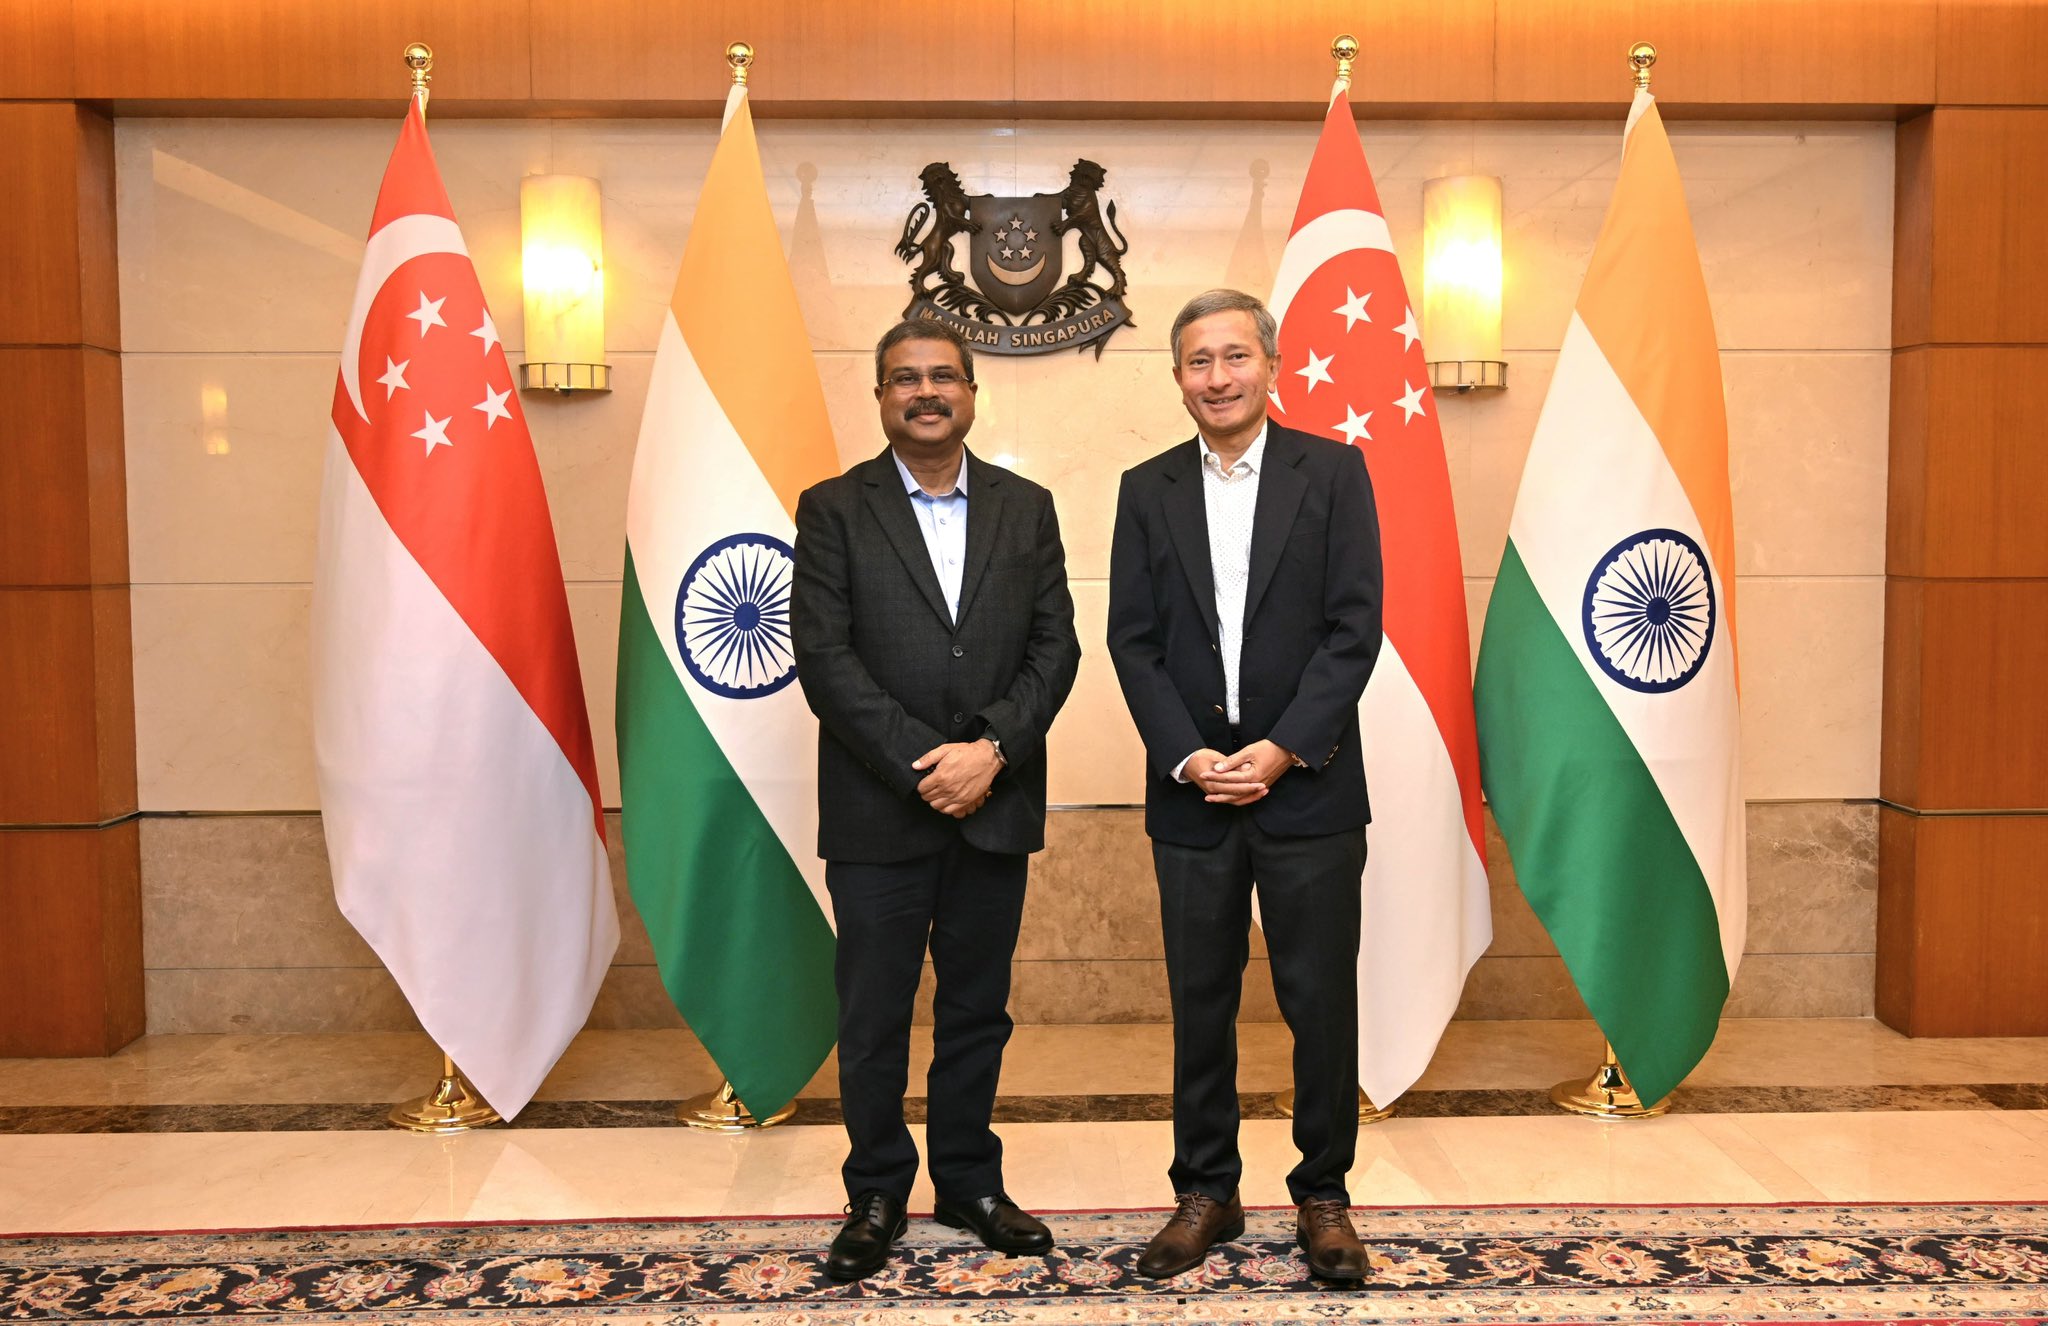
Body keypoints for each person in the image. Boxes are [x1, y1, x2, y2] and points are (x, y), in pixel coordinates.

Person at [792, 317, 1082, 1282]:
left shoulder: (1026, 507)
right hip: (881, 811)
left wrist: (991, 751)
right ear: (880, 398)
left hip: (994, 804)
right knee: (873, 1012)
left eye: (943, 377)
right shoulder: (833, 509)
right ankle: (876, 1189)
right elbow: (825, 664)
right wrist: (935, 763)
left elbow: (1057, 648)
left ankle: (968, 1179)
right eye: (904, 379)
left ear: (971, 393)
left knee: (976, 1009)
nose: (926, 392)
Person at [1106, 288, 1384, 1281]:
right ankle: (1205, 1193)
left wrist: (1280, 750)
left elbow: (1355, 630)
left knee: (1319, 999)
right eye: (1195, 361)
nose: (1215, 378)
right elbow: (1130, 642)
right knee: (1200, 999)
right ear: (1176, 377)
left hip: (1306, 788)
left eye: (1233, 357)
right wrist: (1187, 756)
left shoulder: (1334, 472)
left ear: (1269, 366)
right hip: (1191, 793)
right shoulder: (1145, 489)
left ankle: (1323, 1196)